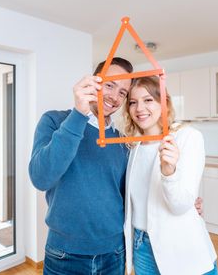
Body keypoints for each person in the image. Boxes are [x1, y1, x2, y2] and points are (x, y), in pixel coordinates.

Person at [29, 57, 133, 275]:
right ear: (94, 82)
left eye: (122, 92)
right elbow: (41, 177)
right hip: (65, 253)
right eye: (110, 85)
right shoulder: (55, 121)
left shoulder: (122, 141)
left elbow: (130, 196)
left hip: (113, 252)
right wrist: (79, 114)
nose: (114, 97)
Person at [123, 76, 217, 275]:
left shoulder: (187, 137)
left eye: (148, 100)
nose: (139, 108)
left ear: (163, 102)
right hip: (141, 246)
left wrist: (169, 172)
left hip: (182, 245)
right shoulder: (134, 146)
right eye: (133, 102)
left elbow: (180, 205)